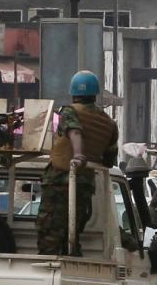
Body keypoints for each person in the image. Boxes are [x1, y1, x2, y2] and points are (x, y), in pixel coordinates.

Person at [36, 71, 119, 256]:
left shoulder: (69, 111)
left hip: (59, 182)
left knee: (50, 235)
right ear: (95, 94)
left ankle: (51, 274)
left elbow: (75, 130)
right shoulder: (109, 123)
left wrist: (79, 155)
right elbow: (109, 159)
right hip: (83, 187)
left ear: (73, 93)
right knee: (71, 234)